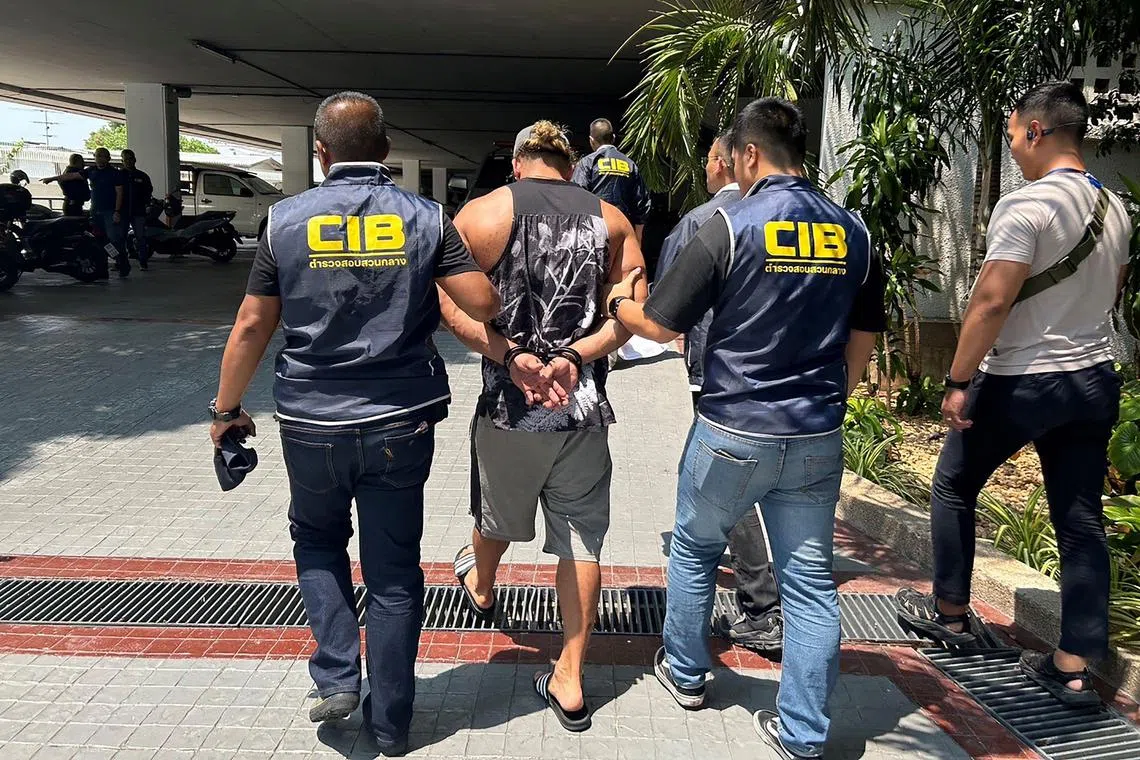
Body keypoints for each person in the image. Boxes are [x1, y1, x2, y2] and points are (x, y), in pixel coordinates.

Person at [207, 91, 499, 757]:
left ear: (320, 151)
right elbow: (480, 301)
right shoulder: (426, 217)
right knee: (393, 573)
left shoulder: (285, 220)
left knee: (316, 542)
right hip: (401, 421)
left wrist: (225, 411)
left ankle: (338, 675)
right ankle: (393, 726)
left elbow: (254, 324)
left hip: (310, 421)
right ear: (387, 151)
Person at [608, 97, 886, 760]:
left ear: (749, 155)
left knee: (698, 550)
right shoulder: (852, 229)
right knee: (810, 582)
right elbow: (865, 336)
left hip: (733, 428)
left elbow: (663, 326)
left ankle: (686, 674)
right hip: (815, 434)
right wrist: (830, 402)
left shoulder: (728, 226)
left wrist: (621, 302)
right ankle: (804, 735)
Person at [895, 81, 1130, 706]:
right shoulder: (1117, 208)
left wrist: (958, 382)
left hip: (1024, 378)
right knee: (1080, 523)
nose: (1013, 147)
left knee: (953, 484)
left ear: (1035, 131)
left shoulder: (1027, 206)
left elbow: (992, 300)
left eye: (1011, 135)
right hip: (1093, 377)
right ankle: (1073, 665)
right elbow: (1112, 292)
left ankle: (949, 616)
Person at [441, 121, 646, 733]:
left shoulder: (482, 214)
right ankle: (572, 676)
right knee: (582, 542)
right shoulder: (612, 221)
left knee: (496, 516)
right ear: (572, 165)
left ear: (517, 161)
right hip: (582, 410)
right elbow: (631, 314)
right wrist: (576, 357)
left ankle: (480, 583)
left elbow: (445, 301)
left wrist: (510, 355)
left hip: (510, 408)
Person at [656, 130, 783, 654]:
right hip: (789, 381)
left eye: (708, 160)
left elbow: (665, 309)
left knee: (718, 488)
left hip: (719, 375)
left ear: (726, 163)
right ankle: (772, 597)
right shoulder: (795, 220)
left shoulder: (702, 223)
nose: (705, 170)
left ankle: (759, 604)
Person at [51, 147, 128, 276]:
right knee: (99, 240)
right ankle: (102, 269)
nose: (100, 159)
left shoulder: (114, 173)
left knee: (113, 239)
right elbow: (72, 175)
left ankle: (122, 261)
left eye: (103, 156)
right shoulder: (91, 171)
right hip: (95, 211)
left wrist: (117, 211)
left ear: (108, 158)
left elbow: (119, 192)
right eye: (98, 156)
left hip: (109, 212)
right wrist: (53, 178)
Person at [572, 118, 652, 242]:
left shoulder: (587, 163)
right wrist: (637, 238)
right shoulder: (630, 164)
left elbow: (577, 197)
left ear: (591, 140)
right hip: (623, 229)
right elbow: (641, 203)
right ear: (613, 138)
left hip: (595, 229)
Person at [120, 150, 154, 269]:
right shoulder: (119, 176)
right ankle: (121, 262)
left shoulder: (142, 176)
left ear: (135, 159)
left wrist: (146, 204)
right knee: (120, 238)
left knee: (140, 237)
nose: (128, 161)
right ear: (122, 161)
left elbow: (148, 191)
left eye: (130, 158)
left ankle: (143, 261)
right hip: (122, 212)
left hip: (138, 212)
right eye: (126, 159)